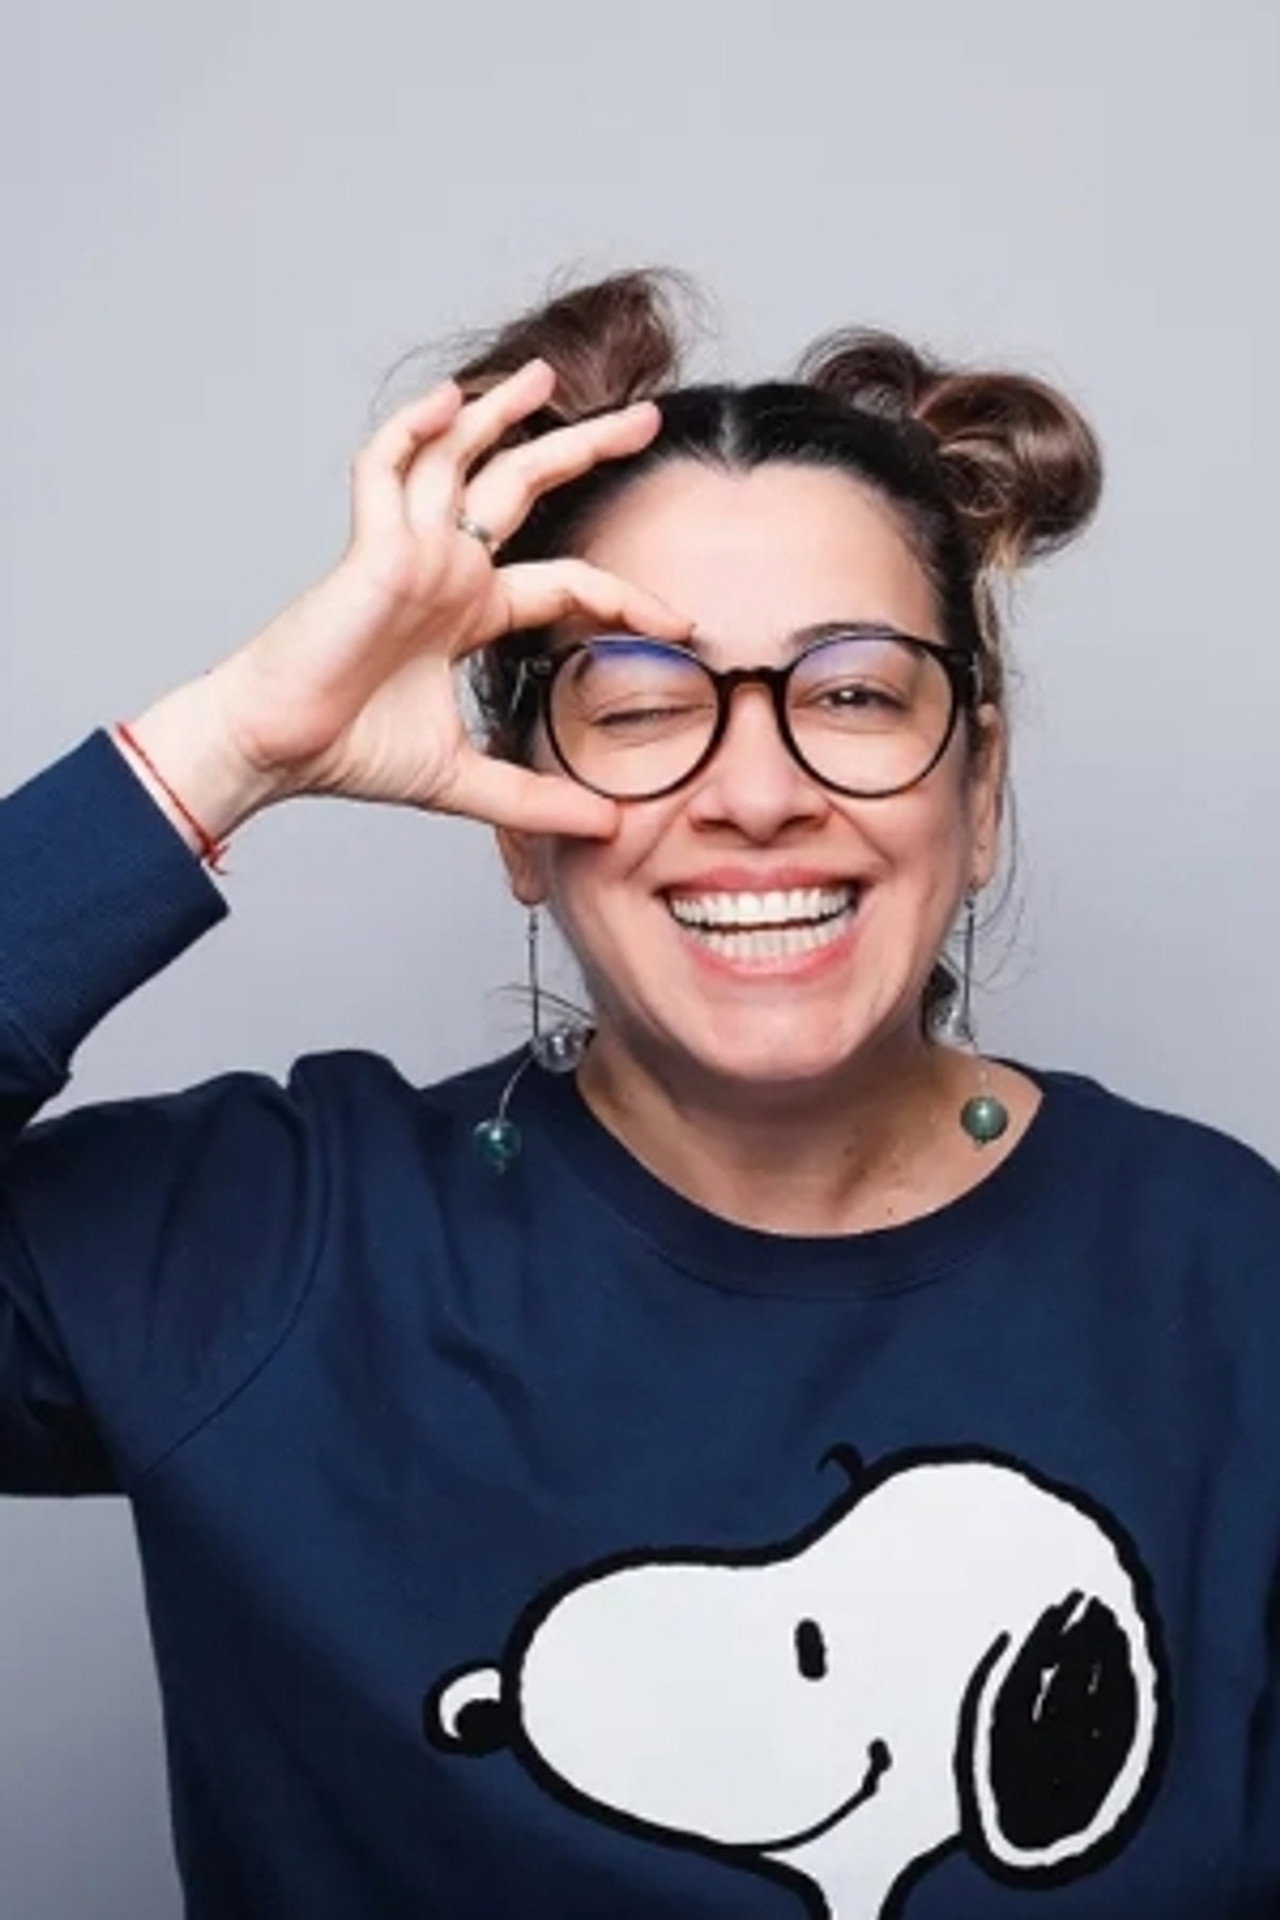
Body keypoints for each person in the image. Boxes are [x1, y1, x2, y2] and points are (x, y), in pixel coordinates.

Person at [0, 269, 1276, 1920]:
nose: (757, 792)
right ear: (517, 817)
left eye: (852, 695)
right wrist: (231, 742)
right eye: (643, 705)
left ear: (979, 792)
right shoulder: (270, 1247)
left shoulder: (1230, 1277)